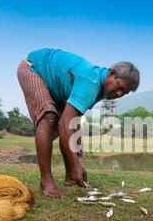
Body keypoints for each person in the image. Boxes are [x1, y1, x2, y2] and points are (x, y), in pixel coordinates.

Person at [17, 48, 140, 198]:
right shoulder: (91, 82)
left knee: (71, 133)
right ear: (111, 73)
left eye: (124, 92)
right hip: (33, 68)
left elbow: (73, 118)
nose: (119, 94)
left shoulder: (104, 88)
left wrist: (77, 138)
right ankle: (46, 181)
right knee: (49, 118)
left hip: (57, 86)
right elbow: (65, 123)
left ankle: (71, 177)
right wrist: (76, 164)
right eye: (119, 86)